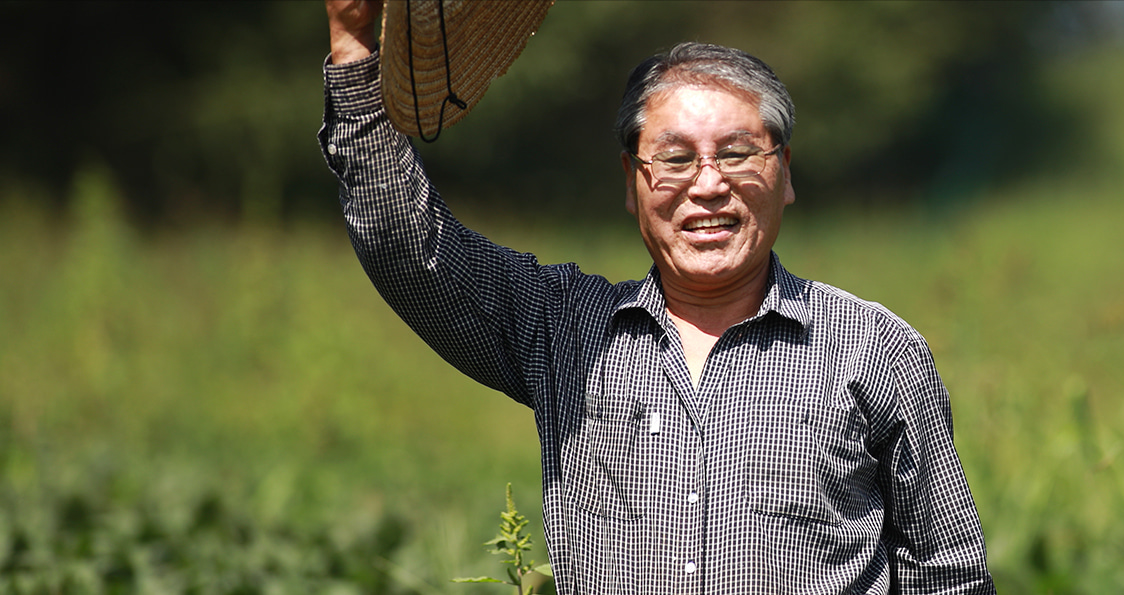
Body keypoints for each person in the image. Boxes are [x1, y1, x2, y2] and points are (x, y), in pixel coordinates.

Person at [318, 2, 995, 593]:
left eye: (738, 153)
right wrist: (352, 45)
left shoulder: (875, 351)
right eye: (674, 158)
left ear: (785, 173)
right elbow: (410, 249)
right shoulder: (565, 329)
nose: (708, 185)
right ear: (631, 181)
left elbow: (950, 575)